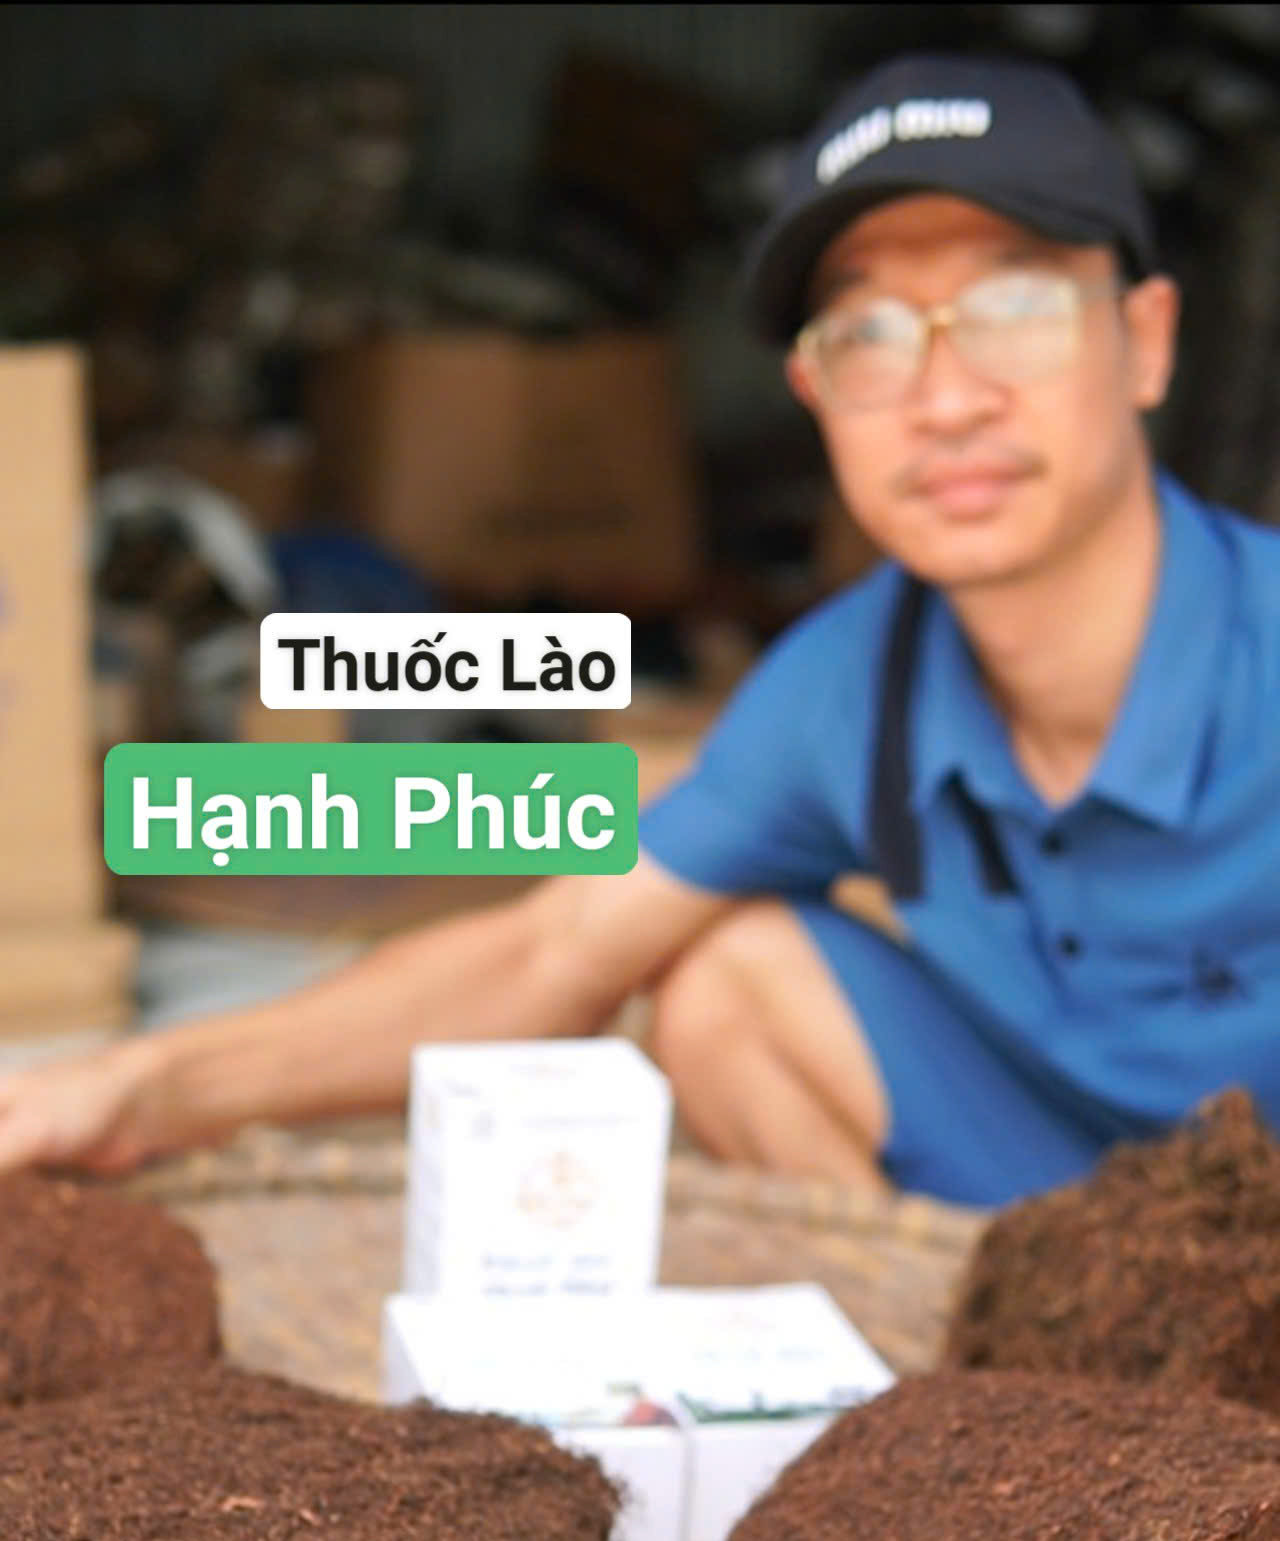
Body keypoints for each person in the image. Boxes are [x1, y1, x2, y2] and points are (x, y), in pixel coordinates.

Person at [2, 50, 1277, 1206]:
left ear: (1144, 341)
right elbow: (552, 952)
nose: (944, 400)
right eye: (870, 334)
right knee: (723, 983)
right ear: (812, 393)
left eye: (1012, 312)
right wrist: (137, 1087)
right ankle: (977, 1366)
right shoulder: (850, 686)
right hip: (1036, 1202)